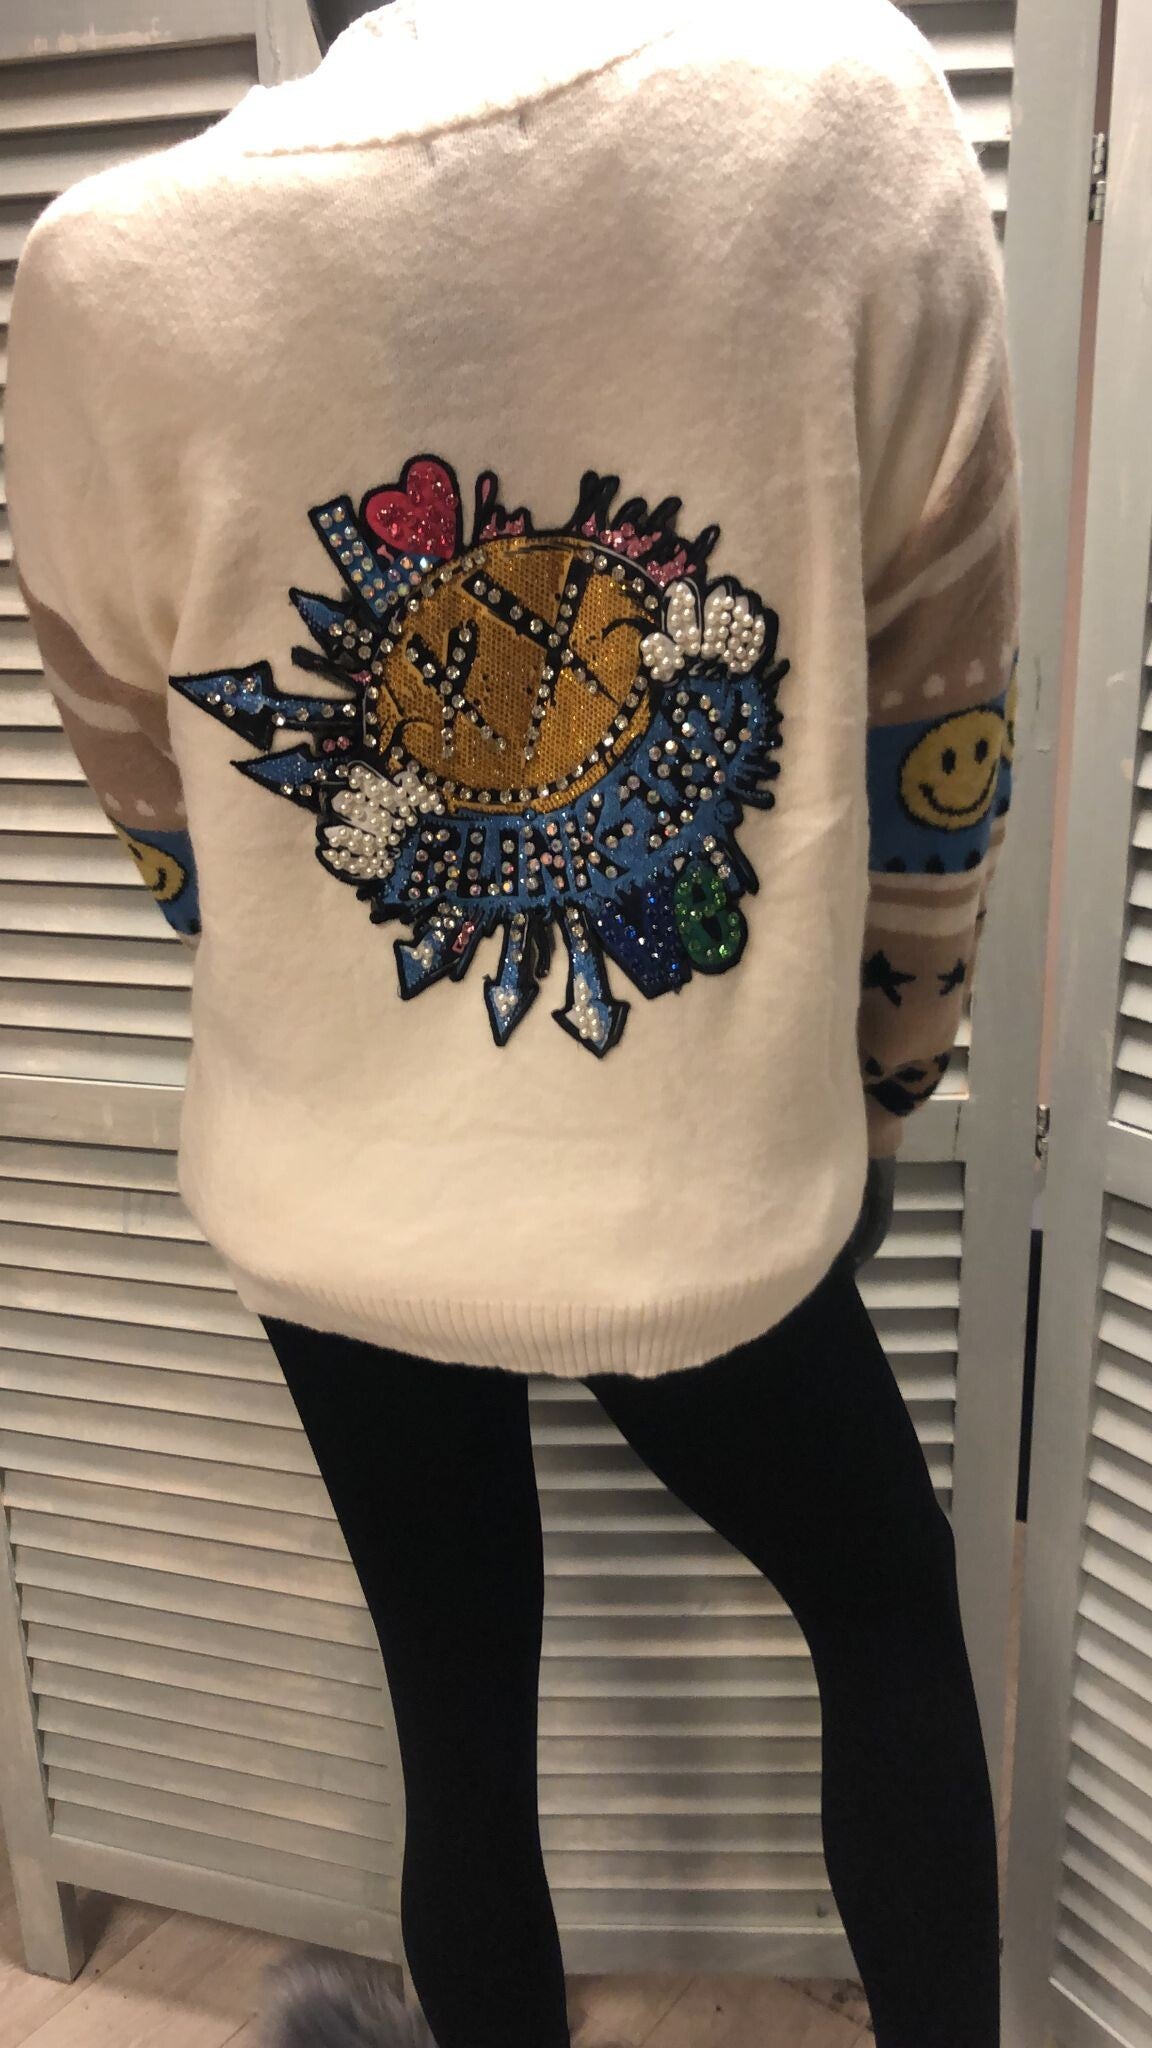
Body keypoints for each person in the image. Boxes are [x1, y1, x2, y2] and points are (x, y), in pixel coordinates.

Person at [7, 1, 1020, 2043]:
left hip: (326, 1189)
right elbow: (948, 736)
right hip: (713, 1177)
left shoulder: (105, 268)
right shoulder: (845, 110)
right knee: (888, 1612)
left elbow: (143, 781)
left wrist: (324, 982)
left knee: (454, 1701)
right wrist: (880, 1092)